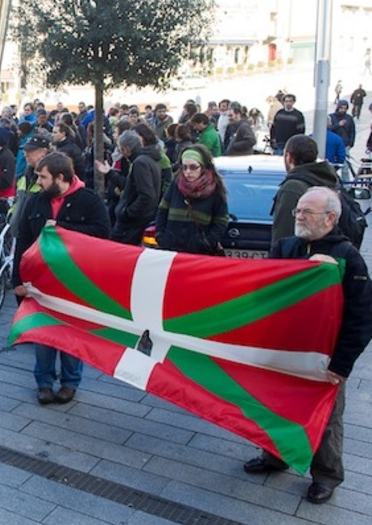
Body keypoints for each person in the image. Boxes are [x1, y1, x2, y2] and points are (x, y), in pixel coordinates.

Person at [242, 187, 372, 504]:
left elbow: (361, 318)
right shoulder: (285, 247)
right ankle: (274, 456)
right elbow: (263, 293)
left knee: (327, 417)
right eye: (297, 211)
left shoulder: (348, 258)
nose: (298, 217)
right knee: (276, 407)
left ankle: (326, 476)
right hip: (283, 349)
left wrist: (341, 365)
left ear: (330, 217)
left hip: (323, 357)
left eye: (306, 212)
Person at [12, 152, 110, 405]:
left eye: (42, 177)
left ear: (60, 177)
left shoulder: (89, 201)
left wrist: (61, 230)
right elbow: (22, 242)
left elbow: (102, 235)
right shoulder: (35, 202)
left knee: (70, 335)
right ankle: (43, 383)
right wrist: (16, 281)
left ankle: (69, 383)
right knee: (44, 336)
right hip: (41, 281)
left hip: (74, 283)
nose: (38, 182)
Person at [154, 145, 229, 254]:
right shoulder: (176, 184)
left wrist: (207, 243)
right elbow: (162, 210)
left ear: (203, 167)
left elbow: (221, 220)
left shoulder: (215, 189)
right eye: (184, 167)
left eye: (193, 167)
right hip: (171, 250)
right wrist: (160, 236)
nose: (188, 172)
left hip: (198, 255)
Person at [97, 130, 162, 245]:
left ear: (126, 149)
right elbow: (130, 185)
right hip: (137, 220)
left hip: (132, 224)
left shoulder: (140, 163)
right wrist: (110, 173)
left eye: (120, 148)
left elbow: (146, 195)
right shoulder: (148, 160)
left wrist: (127, 213)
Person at [270, 135, 337, 244]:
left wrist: (277, 257)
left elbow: (283, 236)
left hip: (302, 256)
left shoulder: (292, 188)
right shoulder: (328, 179)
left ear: (289, 157)